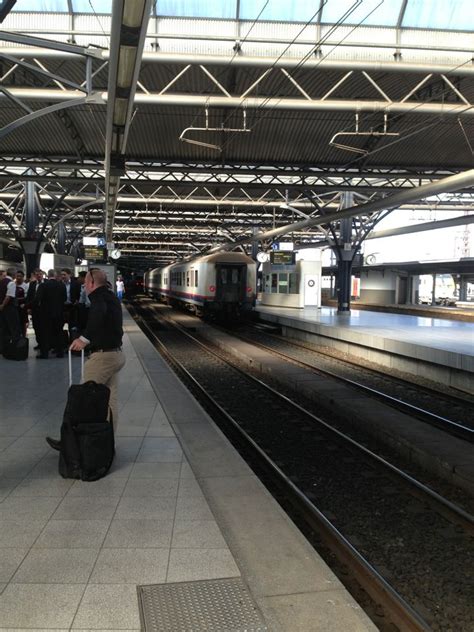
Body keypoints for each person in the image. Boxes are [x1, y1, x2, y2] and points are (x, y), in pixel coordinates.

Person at [46, 268, 125, 451]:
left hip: (103, 357)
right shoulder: (111, 296)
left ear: (90, 283)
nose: (84, 287)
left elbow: (99, 314)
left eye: (85, 284)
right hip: (116, 354)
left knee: (81, 399)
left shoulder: (98, 298)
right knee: (110, 402)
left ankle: (70, 441)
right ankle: (107, 440)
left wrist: (84, 339)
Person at [36, 269, 67, 359]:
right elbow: (65, 298)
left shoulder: (43, 285)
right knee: (59, 332)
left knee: (45, 333)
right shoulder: (61, 285)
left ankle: (45, 353)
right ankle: (60, 352)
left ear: (48, 275)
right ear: (55, 275)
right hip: (58, 313)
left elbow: (38, 298)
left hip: (45, 313)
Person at [0, 269, 27, 342]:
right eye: (16, 275)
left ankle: (3, 348)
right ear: (14, 275)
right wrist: (2, 305)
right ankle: (15, 349)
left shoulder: (1, 281)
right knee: (14, 329)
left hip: (3, 310)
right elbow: (9, 296)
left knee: (4, 329)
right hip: (10, 309)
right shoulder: (11, 283)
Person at [26, 268, 45, 350]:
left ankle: (46, 344)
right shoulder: (32, 284)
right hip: (35, 309)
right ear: (35, 275)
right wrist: (28, 307)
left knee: (44, 327)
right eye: (37, 275)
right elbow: (29, 296)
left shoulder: (47, 283)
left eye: (40, 274)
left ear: (42, 274)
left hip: (45, 309)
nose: (39, 276)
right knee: (36, 326)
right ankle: (39, 343)